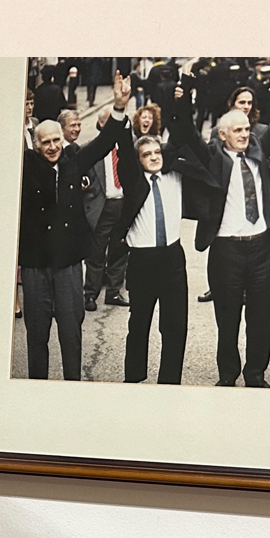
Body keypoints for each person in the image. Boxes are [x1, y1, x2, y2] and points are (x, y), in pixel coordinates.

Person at [18, 77, 133, 378]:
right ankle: (36, 391)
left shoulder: (73, 161)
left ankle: (73, 387)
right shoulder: (27, 166)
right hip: (35, 266)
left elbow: (104, 143)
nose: (53, 146)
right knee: (37, 337)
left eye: (57, 140)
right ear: (36, 144)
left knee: (72, 336)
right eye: (46, 142)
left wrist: (119, 106)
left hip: (68, 266)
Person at [177, 105, 270, 387]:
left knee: (262, 317)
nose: (244, 135)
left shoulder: (257, 153)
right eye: (237, 130)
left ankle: (255, 374)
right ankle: (228, 374)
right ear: (222, 135)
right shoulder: (213, 158)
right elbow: (188, 134)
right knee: (227, 318)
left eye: (246, 129)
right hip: (226, 250)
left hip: (262, 247)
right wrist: (182, 96)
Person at [102, 90, 203, 383]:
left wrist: (182, 101)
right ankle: (134, 379)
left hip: (173, 258)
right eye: (146, 155)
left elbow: (184, 137)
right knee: (140, 324)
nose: (154, 158)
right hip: (143, 261)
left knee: (175, 327)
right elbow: (123, 146)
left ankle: (169, 383)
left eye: (157, 152)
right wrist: (120, 108)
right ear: (138, 160)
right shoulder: (134, 181)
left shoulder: (175, 175)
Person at [82, 107, 132, 313]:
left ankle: (113, 291)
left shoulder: (128, 149)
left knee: (120, 250)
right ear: (102, 124)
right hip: (102, 206)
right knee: (96, 251)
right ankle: (90, 293)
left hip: (123, 204)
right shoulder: (91, 149)